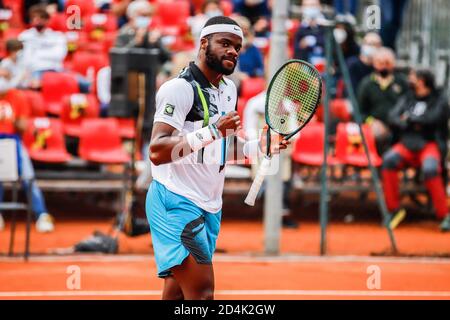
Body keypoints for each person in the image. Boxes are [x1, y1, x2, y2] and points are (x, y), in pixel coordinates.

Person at [146, 16, 289, 300]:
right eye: (225, 43)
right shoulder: (178, 89)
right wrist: (212, 131)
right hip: (175, 201)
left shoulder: (228, 89)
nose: (233, 51)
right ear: (203, 44)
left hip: (208, 206)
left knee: (176, 295)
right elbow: (157, 151)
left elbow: (219, 151)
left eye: (237, 46)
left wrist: (257, 147)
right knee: (202, 293)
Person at [382, 69, 450, 232]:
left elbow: (433, 119)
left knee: (430, 168)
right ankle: (394, 210)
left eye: (413, 78)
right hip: (407, 143)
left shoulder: (439, 99)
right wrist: (409, 123)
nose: (409, 80)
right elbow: (392, 116)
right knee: (389, 160)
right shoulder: (407, 97)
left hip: (429, 144)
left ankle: (444, 214)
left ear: (422, 81)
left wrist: (410, 119)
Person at [0, 90, 55, 233]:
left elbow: (23, 126)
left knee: (28, 177)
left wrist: (10, 116)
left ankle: (41, 214)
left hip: (13, 141)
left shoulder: (17, 96)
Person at [357, 47, 409, 155]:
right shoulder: (366, 84)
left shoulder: (402, 82)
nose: (384, 66)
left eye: (387, 63)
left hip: (398, 125)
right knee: (377, 134)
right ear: (374, 63)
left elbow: (410, 103)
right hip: (376, 125)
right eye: (380, 63)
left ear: (393, 64)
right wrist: (371, 121)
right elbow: (359, 111)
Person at [114, 0, 171, 65]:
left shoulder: (152, 32)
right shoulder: (124, 32)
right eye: (142, 15)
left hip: (150, 70)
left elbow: (167, 58)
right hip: (129, 70)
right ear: (131, 16)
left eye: (148, 15)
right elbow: (118, 57)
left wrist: (157, 43)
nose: (146, 18)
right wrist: (136, 42)